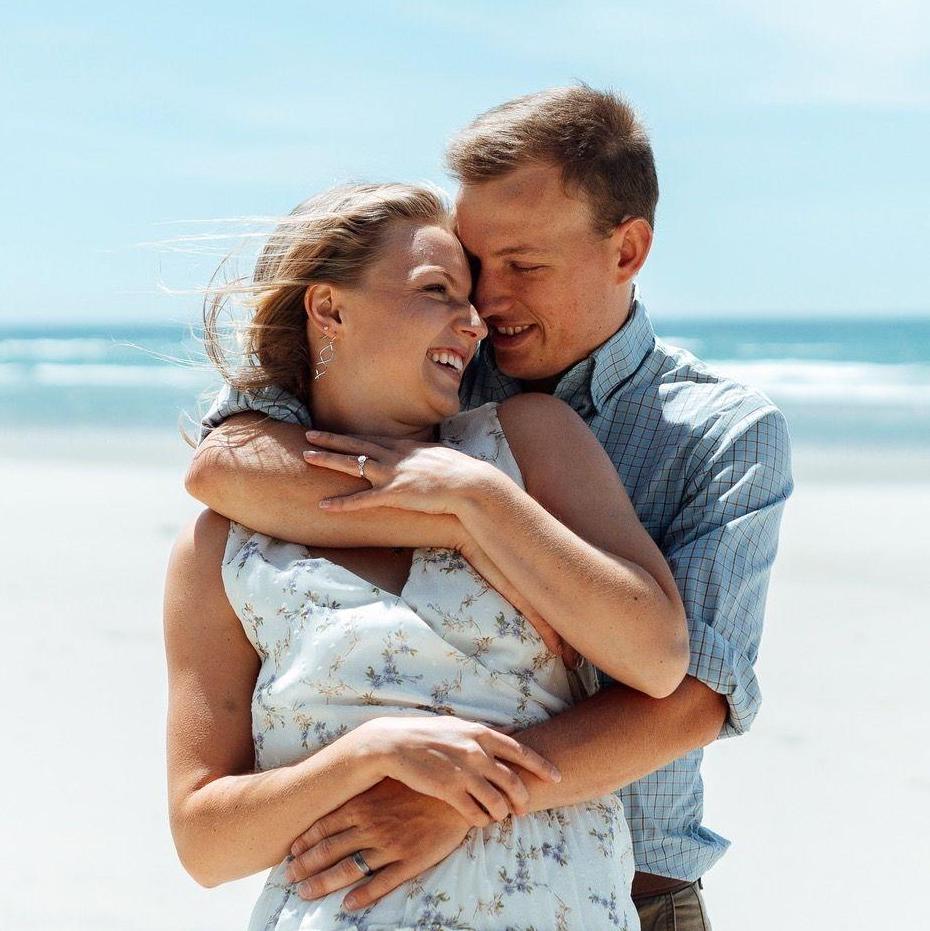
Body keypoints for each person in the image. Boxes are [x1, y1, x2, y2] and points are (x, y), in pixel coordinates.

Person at [188, 86, 793, 930]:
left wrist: (461, 798)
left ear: (628, 250)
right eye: (472, 267)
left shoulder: (722, 432)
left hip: (637, 891)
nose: (486, 303)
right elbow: (230, 463)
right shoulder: (431, 364)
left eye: (523, 265)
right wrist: (456, 513)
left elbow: (689, 696)